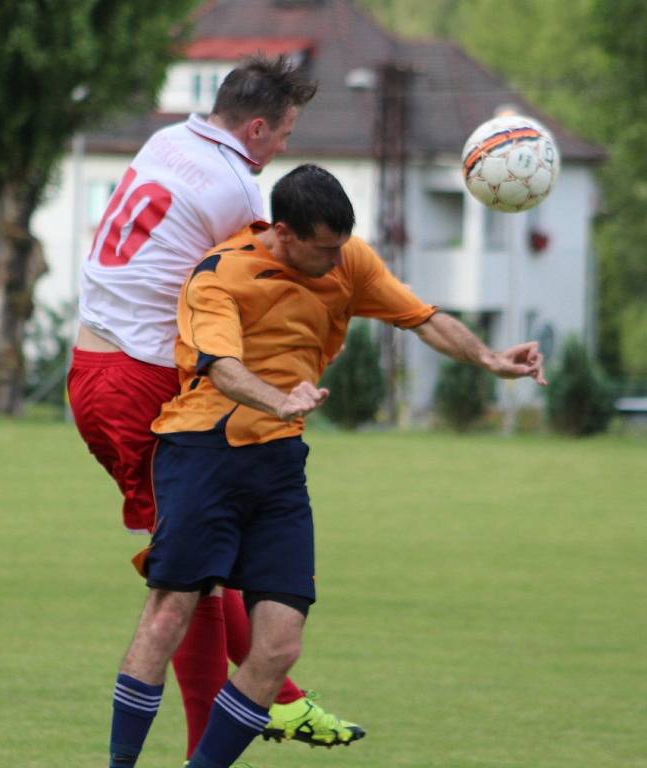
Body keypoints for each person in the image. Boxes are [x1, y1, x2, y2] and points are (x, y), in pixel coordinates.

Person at [107, 163, 548, 768]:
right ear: (283, 233)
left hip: (280, 465)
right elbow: (221, 367)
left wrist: (491, 357)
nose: (336, 261)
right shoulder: (220, 275)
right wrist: (278, 398)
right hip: (202, 455)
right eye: (323, 249)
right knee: (170, 612)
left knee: (279, 646)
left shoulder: (349, 260)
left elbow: (422, 318)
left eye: (342, 247)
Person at [67, 59, 363, 764]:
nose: (285, 146)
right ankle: (271, 708)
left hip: (100, 363)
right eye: (285, 132)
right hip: (134, 381)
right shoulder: (236, 186)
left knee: (199, 570)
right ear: (257, 126)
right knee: (188, 578)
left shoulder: (171, 140)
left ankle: (282, 700)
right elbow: (267, 269)